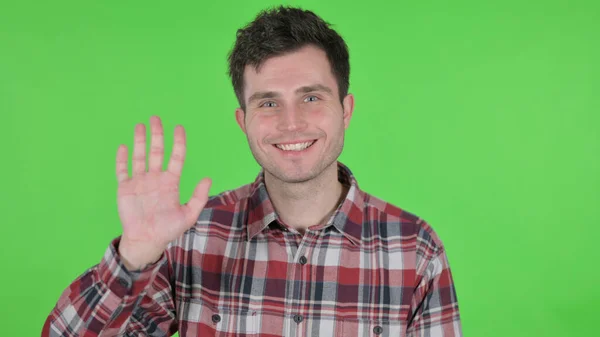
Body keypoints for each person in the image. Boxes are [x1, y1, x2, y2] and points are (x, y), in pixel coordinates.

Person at [42, 5, 462, 337]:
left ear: (345, 110)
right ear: (243, 121)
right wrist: (134, 256)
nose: (291, 122)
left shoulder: (416, 249)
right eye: (268, 102)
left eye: (311, 97)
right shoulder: (190, 239)